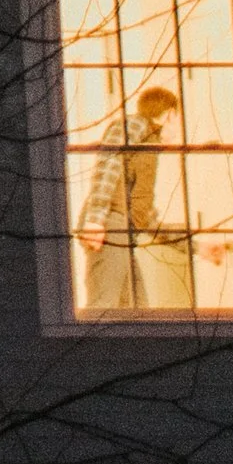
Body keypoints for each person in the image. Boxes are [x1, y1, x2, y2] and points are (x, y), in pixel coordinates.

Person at [77, 84, 194, 310]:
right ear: (169, 115)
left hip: (120, 230)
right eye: (178, 121)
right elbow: (108, 165)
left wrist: (196, 247)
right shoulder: (134, 125)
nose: (179, 130)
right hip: (110, 223)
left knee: (136, 309)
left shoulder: (148, 146)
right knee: (105, 307)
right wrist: (95, 220)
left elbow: (145, 218)